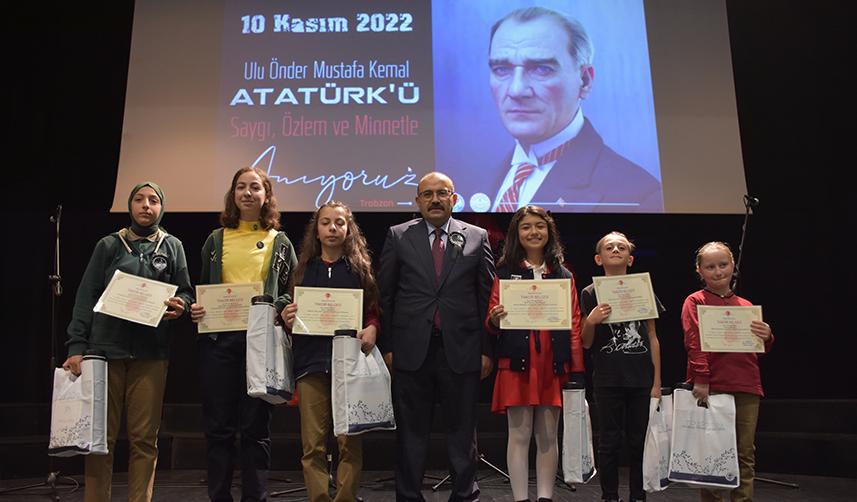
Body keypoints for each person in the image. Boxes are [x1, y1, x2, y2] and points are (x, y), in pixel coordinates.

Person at [63, 182, 193, 502]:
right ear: (129, 206)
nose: (146, 205)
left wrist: (182, 305)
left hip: (151, 354)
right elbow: (85, 297)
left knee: (145, 439)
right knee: (100, 439)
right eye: (139, 199)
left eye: (153, 200)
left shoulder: (172, 246)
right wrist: (76, 347)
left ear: (162, 207)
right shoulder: (109, 245)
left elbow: (186, 292)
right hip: (104, 352)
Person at [377, 171, 495, 502]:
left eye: (442, 193)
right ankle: (409, 496)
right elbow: (384, 296)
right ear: (417, 201)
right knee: (411, 434)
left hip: (463, 349)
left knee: (462, 434)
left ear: (454, 199)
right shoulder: (398, 236)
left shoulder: (477, 236)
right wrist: (388, 347)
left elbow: (487, 296)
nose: (434, 199)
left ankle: (464, 496)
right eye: (427, 194)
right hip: (411, 351)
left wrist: (487, 350)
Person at [189, 167, 297, 502]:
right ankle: (219, 497)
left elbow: (291, 289)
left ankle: (256, 498)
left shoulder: (280, 241)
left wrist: (279, 305)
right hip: (219, 342)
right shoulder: (215, 239)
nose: (247, 193)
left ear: (266, 195)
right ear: (233, 195)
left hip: (260, 343)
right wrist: (197, 307)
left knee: (255, 429)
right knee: (218, 429)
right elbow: (204, 289)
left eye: (255, 188)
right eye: (241, 187)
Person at [487, 7, 663, 213]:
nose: (516, 90)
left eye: (542, 69)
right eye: (501, 69)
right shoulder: (481, 178)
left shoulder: (640, 194)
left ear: (585, 81)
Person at [280, 202, 380, 502]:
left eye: (339, 223)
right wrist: (286, 318)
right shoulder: (303, 269)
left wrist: (373, 327)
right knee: (313, 445)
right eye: (326, 223)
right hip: (310, 365)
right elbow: (292, 319)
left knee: (349, 442)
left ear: (349, 230)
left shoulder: (359, 270)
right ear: (317, 230)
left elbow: (373, 312)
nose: (333, 228)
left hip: (348, 364)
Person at [485, 205, 584, 502]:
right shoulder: (504, 273)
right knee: (518, 434)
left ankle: (544, 497)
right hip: (516, 363)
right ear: (517, 233)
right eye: (526, 227)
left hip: (552, 364)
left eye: (539, 226)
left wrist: (576, 370)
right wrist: (494, 318)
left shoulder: (564, 274)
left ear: (549, 232)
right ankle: (519, 498)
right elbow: (491, 320)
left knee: (548, 436)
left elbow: (575, 323)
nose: (533, 232)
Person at [681, 241, 773, 502]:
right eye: (710, 267)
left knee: (745, 453)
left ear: (733, 266)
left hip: (746, 385)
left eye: (723, 265)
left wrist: (767, 337)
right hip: (713, 386)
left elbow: (756, 348)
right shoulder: (695, 300)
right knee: (713, 453)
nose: (718, 271)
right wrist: (701, 378)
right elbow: (694, 341)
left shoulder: (745, 305)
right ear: (699, 271)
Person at [580, 231, 663, 502]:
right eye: (609, 247)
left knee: (638, 441)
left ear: (630, 258)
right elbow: (586, 343)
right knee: (609, 442)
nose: (615, 250)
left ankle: (638, 495)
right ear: (598, 258)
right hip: (608, 378)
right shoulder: (590, 292)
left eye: (621, 247)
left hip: (640, 378)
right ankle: (610, 496)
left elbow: (651, 336)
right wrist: (591, 321)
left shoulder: (642, 288)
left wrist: (656, 382)